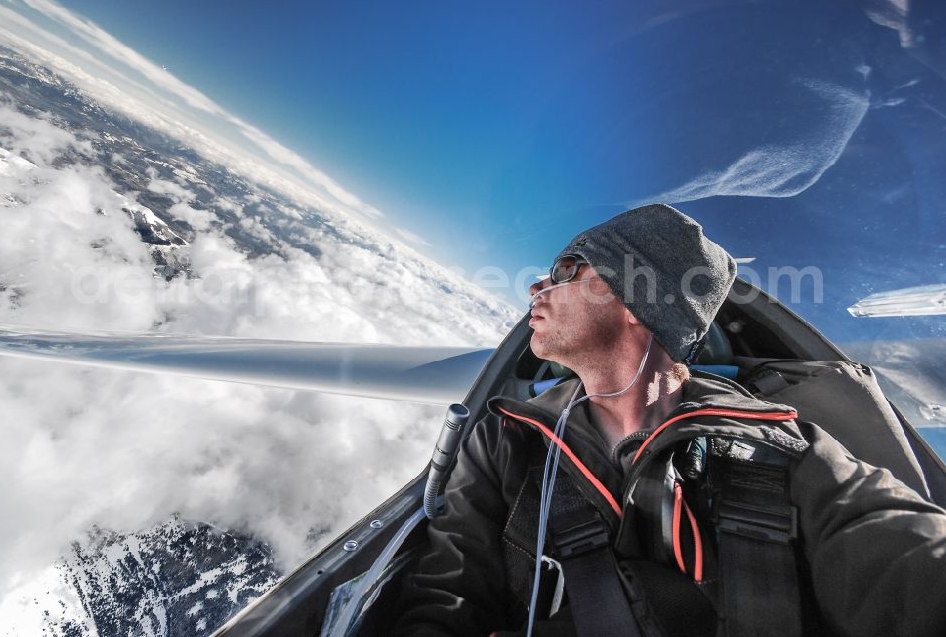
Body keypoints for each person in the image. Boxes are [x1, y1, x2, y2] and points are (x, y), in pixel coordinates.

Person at [395, 204, 946, 637]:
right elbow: (446, 596)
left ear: (640, 300)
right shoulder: (505, 439)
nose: (537, 288)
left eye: (566, 270)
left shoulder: (790, 449)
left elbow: (904, 556)